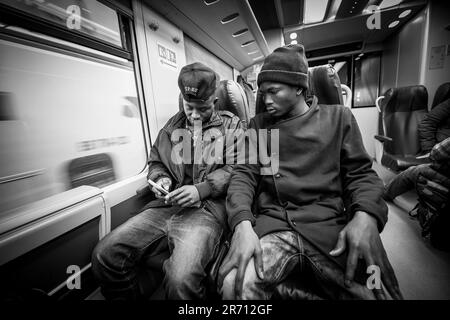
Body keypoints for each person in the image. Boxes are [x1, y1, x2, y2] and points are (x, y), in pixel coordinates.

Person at [218, 44, 403, 300]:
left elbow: (361, 175)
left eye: (273, 91)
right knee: (233, 286)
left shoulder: (338, 119)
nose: (266, 100)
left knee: (379, 292)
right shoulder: (259, 126)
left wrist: (365, 215)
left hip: (329, 226)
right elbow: (243, 176)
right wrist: (241, 224)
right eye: (262, 93)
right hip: (276, 224)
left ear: (299, 88)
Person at [91, 62, 244, 300]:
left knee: (180, 280)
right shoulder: (171, 126)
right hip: (167, 206)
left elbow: (239, 168)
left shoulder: (232, 125)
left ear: (214, 100)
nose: (193, 115)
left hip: (207, 209)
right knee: (105, 254)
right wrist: (160, 179)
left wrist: (201, 189)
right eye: (188, 106)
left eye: (201, 108)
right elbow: (156, 162)